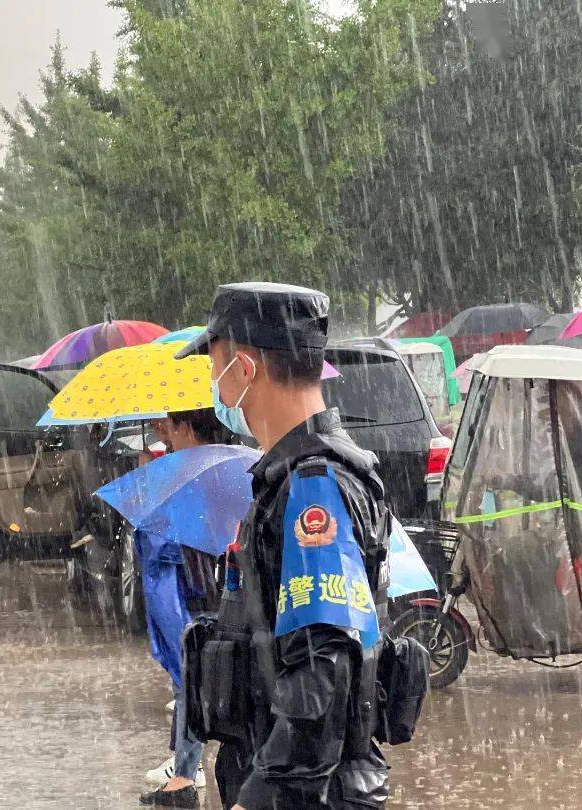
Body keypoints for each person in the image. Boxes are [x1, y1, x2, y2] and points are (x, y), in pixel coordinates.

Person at [175, 282, 394, 809]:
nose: (215, 389)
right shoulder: (290, 480)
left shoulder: (314, 487)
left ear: (245, 369)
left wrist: (255, 802)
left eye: (215, 370)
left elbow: (322, 681)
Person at [138, 408, 230, 808]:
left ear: (187, 427)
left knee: (192, 678)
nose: (168, 435)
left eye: (172, 427)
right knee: (192, 682)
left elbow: (168, 546)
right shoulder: (212, 468)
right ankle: (184, 770)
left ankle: (187, 773)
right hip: (207, 593)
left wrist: (152, 492)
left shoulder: (204, 475)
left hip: (204, 596)